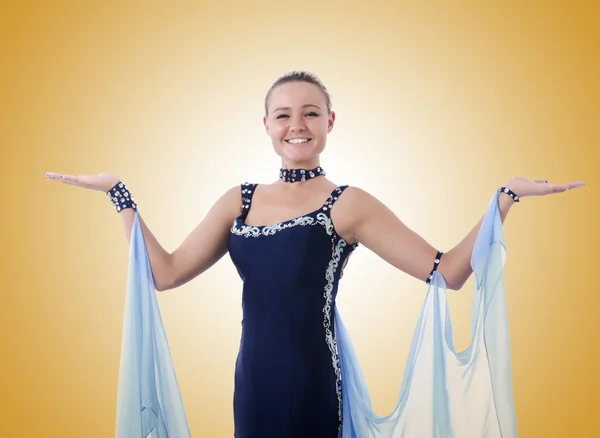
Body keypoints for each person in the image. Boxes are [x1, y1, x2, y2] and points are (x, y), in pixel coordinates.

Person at [44, 71, 583, 438]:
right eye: (282, 115)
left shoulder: (346, 205)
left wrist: (503, 200)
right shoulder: (240, 198)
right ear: (266, 126)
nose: (295, 125)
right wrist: (119, 195)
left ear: (330, 122)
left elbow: (446, 271)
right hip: (251, 380)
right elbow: (164, 274)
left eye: (309, 113)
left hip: (311, 380)